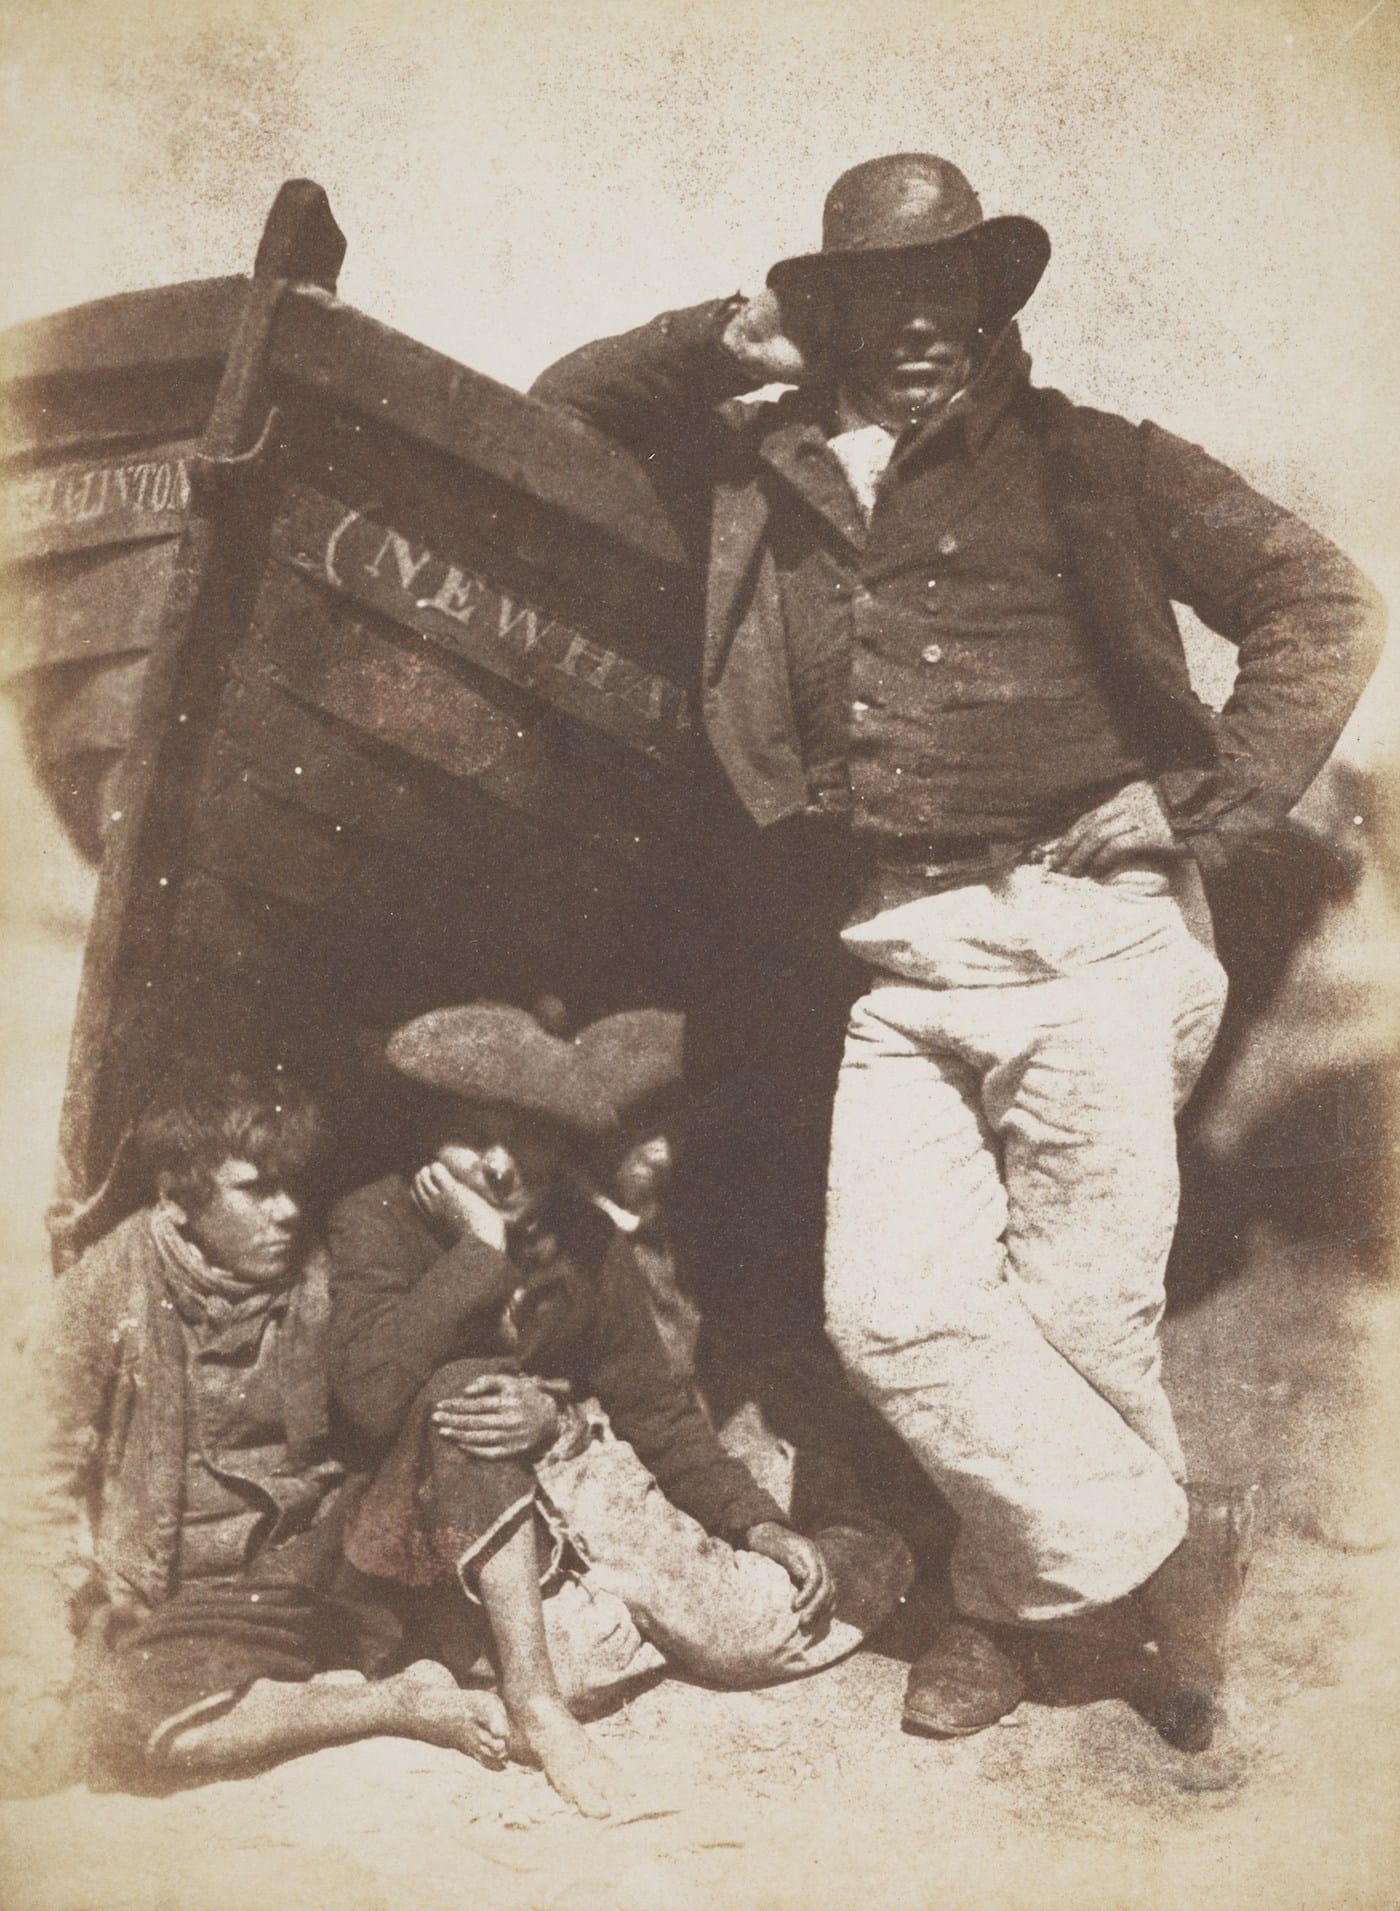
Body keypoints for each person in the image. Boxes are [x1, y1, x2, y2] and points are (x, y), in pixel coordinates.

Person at [529, 153, 1386, 1750]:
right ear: (831, 313)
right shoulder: (762, 470)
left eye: (953, 292)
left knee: (1081, 1308)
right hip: (901, 950)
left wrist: (1196, 798)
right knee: (896, 1307)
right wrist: (725, 330)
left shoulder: (1098, 462)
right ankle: (1162, 1553)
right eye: (883, 298)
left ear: (992, 306)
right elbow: (561, 412)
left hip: (1094, 942)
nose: (924, 325)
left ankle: (1013, 1621)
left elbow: (1320, 599)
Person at [327, 1003, 913, 1817]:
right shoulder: (374, 1217)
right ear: (427, 1133)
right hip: (436, 1511)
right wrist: (480, 1251)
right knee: (568, 1659)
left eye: (525, 1137)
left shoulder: (578, 1232)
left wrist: (754, 1524)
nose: (499, 1164)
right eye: (470, 1134)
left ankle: (863, 1545)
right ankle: (569, 1664)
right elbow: (369, 1402)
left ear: (562, 1145)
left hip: (574, 1473)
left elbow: (654, 1405)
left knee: (750, 1630)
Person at [1, 1066, 508, 1794]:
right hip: (185, 1593)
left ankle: (374, 1685)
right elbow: (25, 1494)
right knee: (117, 1713)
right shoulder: (104, 1288)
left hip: (325, 1559)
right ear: (179, 1201)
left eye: (294, 1184)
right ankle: (390, 1701)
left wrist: (540, 1400)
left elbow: (421, 1365)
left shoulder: (326, 1271)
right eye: (257, 1189)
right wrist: (26, 1682)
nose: (289, 1211)